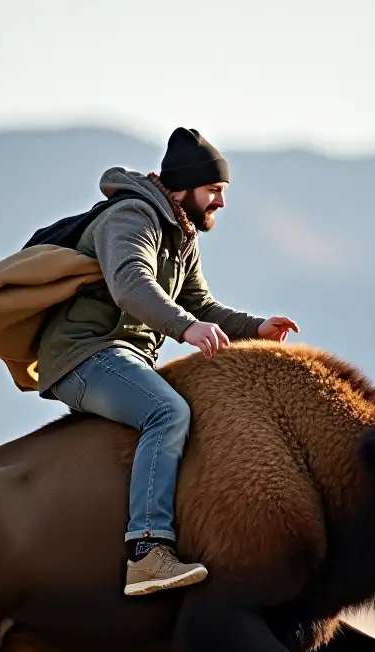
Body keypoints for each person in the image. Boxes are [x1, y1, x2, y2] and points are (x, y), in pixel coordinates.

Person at [34, 127, 298, 596]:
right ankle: (148, 552)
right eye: (214, 190)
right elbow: (131, 284)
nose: (220, 202)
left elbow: (200, 304)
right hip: (84, 356)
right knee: (168, 411)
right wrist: (185, 329)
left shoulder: (182, 236)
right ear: (184, 187)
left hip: (121, 357)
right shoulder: (132, 217)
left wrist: (257, 328)